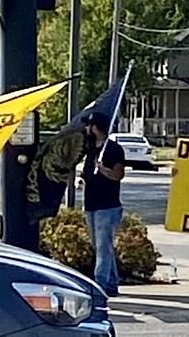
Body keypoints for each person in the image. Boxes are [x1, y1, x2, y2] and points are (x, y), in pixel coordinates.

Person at [79, 112, 126, 297]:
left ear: (97, 127)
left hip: (107, 206)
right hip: (90, 203)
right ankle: (112, 283)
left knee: (103, 247)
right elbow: (86, 173)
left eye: (89, 126)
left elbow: (118, 175)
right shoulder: (91, 149)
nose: (86, 129)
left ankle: (100, 284)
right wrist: (82, 180)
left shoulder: (114, 149)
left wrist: (103, 169)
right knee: (100, 246)